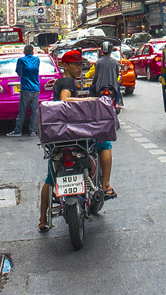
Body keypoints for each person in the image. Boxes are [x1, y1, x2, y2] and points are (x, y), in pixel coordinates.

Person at [39, 50, 115, 233]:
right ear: (65, 66)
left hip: (60, 135)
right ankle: (105, 185)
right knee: (104, 143)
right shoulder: (67, 82)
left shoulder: (59, 81)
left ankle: (42, 219)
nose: (80, 68)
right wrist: (89, 100)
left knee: (50, 178)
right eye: (76, 64)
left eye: (81, 64)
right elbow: (65, 100)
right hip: (72, 134)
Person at [8, 44, 40, 137]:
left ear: (24, 52)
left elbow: (18, 72)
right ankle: (33, 131)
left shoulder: (21, 60)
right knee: (34, 111)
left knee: (22, 111)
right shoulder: (37, 59)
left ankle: (18, 130)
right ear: (32, 52)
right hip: (36, 89)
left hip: (26, 89)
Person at [90, 40, 122, 106]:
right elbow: (117, 74)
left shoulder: (98, 62)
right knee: (118, 88)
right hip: (113, 86)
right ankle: (116, 103)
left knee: (91, 88)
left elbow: (96, 76)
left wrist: (93, 83)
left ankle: (94, 104)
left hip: (100, 86)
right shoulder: (115, 62)